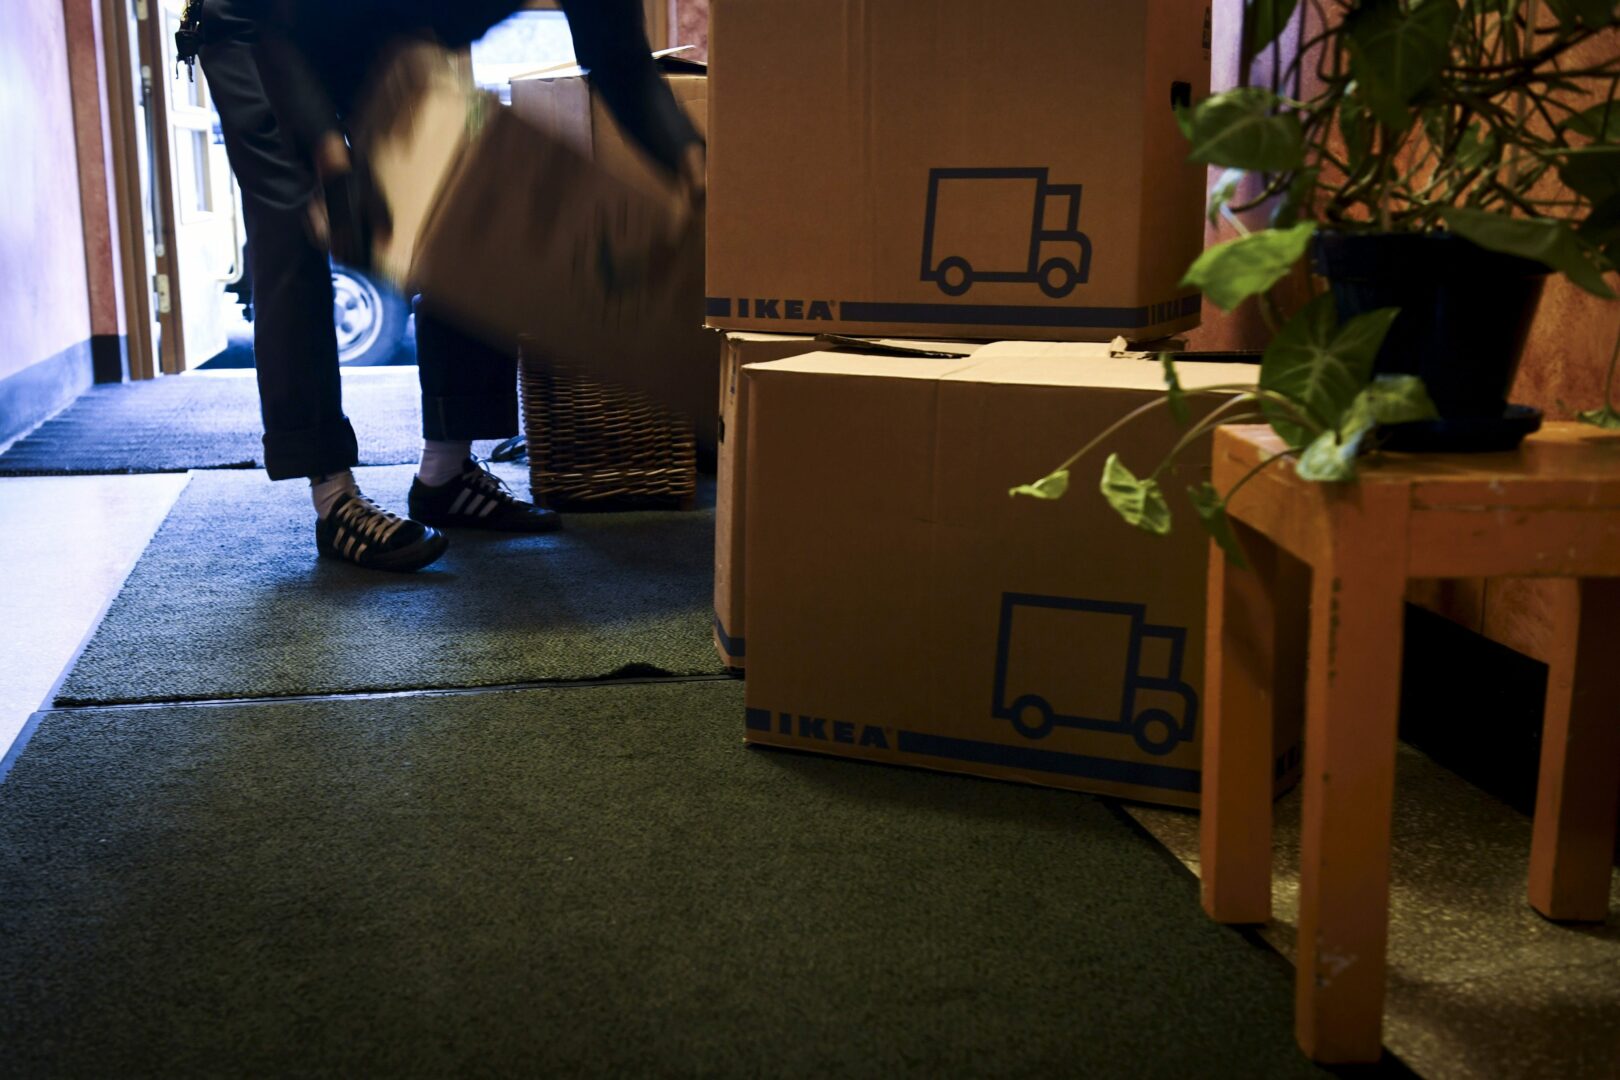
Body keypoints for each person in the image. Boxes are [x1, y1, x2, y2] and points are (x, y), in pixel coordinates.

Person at [195, 0, 704, 572]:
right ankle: (333, 497)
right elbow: (284, 27)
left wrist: (692, 162)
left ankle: (445, 474)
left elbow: (621, 61)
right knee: (298, 222)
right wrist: (329, 154)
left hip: (380, 37)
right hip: (259, 24)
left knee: (476, 194)